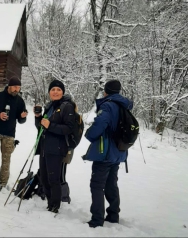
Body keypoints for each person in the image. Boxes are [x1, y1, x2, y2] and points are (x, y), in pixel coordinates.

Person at [83, 79, 132, 228]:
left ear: (106, 91)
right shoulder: (123, 105)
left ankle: (97, 220)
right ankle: (113, 215)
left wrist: (89, 134)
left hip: (105, 152)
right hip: (118, 151)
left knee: (97, 185)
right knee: (111, 183)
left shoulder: (108, 105)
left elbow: (100, 123)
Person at [33, 79, 75, 213]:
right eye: (53, 90)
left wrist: (50, 125)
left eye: (58, 90)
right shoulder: (50, 106)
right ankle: (50, 203)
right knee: (44, 178)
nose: (55, 92)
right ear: (49, 92)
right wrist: (38, 117)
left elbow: (69, 128)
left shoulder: (67, 106)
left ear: (62, 92)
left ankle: (54, 207)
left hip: (56, 148)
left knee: (53, 179)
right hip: (45, 147)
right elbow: (41, 127)